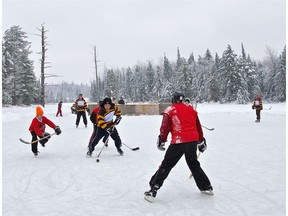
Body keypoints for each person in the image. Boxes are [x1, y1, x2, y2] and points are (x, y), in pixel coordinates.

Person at [144, 92, 213, 202]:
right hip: (192, 141)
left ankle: (153, 189)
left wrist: (162, 140)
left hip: (178, 142)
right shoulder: (191, 110)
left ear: (173, 100)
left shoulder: (170, 110)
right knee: (194, 164)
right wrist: (201, 141)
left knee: (166, 165)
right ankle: (206, 187)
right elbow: (198, 127)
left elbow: (164, 127)